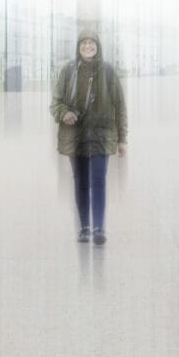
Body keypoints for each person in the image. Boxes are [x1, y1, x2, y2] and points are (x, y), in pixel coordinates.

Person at [52, 33, 127, 245]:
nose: (87, 46)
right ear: (78, 47)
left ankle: (99, 227)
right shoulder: (68, 71)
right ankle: (84, 227)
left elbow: (120, 107)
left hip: (102, 136)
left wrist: (122, 139)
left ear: (97, 46)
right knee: (81, 182)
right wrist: (64, 113)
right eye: (84, 43)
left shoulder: (108, 72)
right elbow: (56, 103)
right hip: (76, 137)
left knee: (99, 181)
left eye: (91, 43)